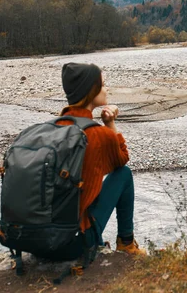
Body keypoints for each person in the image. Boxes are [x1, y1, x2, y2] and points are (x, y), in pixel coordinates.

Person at [58, 62, 145, 256]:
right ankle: (126, 243)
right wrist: (110, 123)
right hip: (75, 243)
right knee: (123, 174)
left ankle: (98, 240)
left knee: (83, 189)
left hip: (44, 238)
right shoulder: (96, 134)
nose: (107, 88)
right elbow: (122, 159)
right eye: (103, 84)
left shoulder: (53, 128)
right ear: (92, 90)